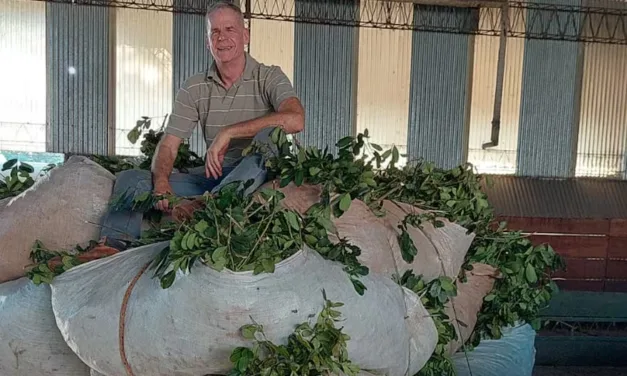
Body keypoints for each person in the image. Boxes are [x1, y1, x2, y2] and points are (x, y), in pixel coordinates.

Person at [95, 1, 305, 252]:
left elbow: (295, 119)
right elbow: (169, 145)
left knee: (271, 137)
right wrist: (162, 181)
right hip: (214, 177)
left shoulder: (268, 76)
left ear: (245, 35)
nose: (222, 38)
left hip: (256, 176)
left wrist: (228, 133)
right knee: (131, 178)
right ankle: (113, 246)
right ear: (208, 42)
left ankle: (209, 209)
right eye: (214, 32)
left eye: (230, 29)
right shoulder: (195, 87)